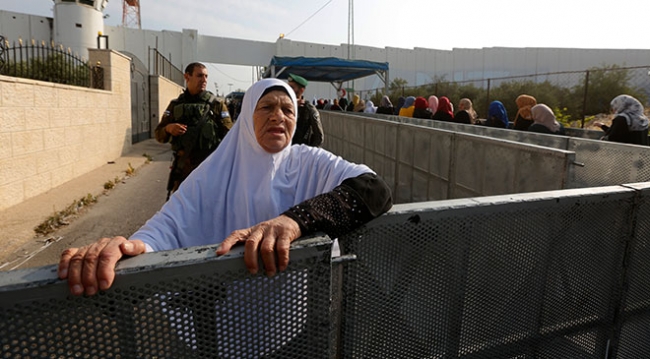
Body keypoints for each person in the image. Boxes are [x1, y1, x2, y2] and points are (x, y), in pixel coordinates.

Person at [58, 78, 393, 297]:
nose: (279, 116)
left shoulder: (310, 162)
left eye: (288, 109)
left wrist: (293, 221)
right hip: (220, 325)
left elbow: (374, 190)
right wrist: (124, 249)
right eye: (267, 107)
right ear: (247, 115)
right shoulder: (213, 173)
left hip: (294, 321)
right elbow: (166, 230)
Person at [154, 62, 233, 199]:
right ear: (187, 76)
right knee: (180, 211)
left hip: (210, 169)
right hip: (183, 169)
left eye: (206, 76)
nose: (204, 80)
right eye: (200, 76)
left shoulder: (216, 105)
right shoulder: (175, 105)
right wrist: (168, 128)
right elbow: (159, 135)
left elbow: (230, 137)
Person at [287, 73, 324, 147]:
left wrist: (308, 153)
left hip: (300, 152)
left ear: (301, 90)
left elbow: (319, 137)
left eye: (292, 87)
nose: (289, 90)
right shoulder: (283, 106)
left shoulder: (308, 108)